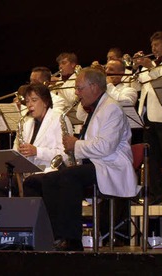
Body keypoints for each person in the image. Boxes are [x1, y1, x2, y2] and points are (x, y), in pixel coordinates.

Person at [36, 67, 138, 251]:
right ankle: (55, 235)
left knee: (69, 177)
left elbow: (105, 147)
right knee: (48, 179)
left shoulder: (112, 108)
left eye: (79, 88)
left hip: (110, 166)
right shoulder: (94, 108)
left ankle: (72, 239)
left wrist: (76, 144)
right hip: (95, 165)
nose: (76, 93)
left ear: (94, 87)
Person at [0, 83, 68, 197]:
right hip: (28, 174)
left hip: (51, 172)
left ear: (45, 102)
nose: (29, 105)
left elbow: (65, 155)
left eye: (34, 100)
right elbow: (17, 151)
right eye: (27, 101)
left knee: (31, 183)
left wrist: (37, 151)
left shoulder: (59, 119)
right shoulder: (26, 123)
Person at [133, 31, 162, 204]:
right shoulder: (150, 65)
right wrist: (137, 68)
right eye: (152, 46)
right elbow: (138, 85)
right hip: (148, 118)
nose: (154, 48)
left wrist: (150, 65)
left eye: (157, 45)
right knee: (151, 159)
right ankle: (156, 194)